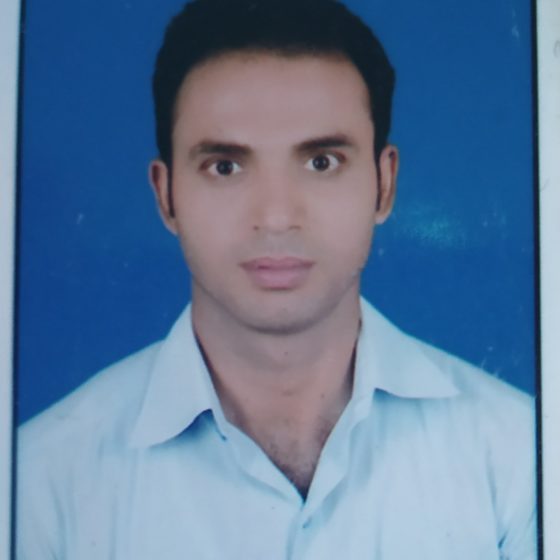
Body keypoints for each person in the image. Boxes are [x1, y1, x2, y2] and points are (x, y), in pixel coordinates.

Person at [17, 0, 536, 558]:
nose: (276, 217)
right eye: (225, 166)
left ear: (384, 185)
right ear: (165, 196)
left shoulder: (520, 456)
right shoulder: (38, 484)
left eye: (321, 162)